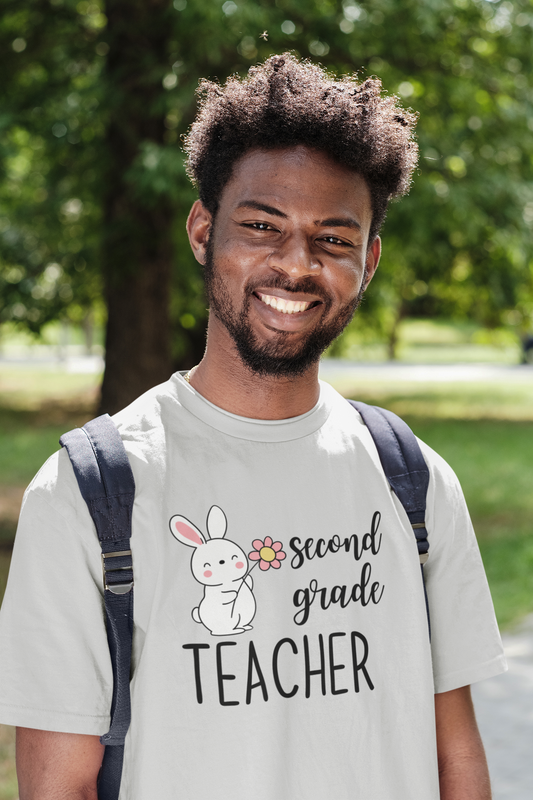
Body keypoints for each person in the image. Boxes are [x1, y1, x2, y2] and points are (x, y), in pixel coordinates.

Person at [0, 54, 506, 800]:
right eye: (261, 225)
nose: (294, 265)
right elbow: (56, 789)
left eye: (332, 239)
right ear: (203, 230)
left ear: (367, 262)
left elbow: (454, 760)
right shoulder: (90, 491)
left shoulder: (413, 479)